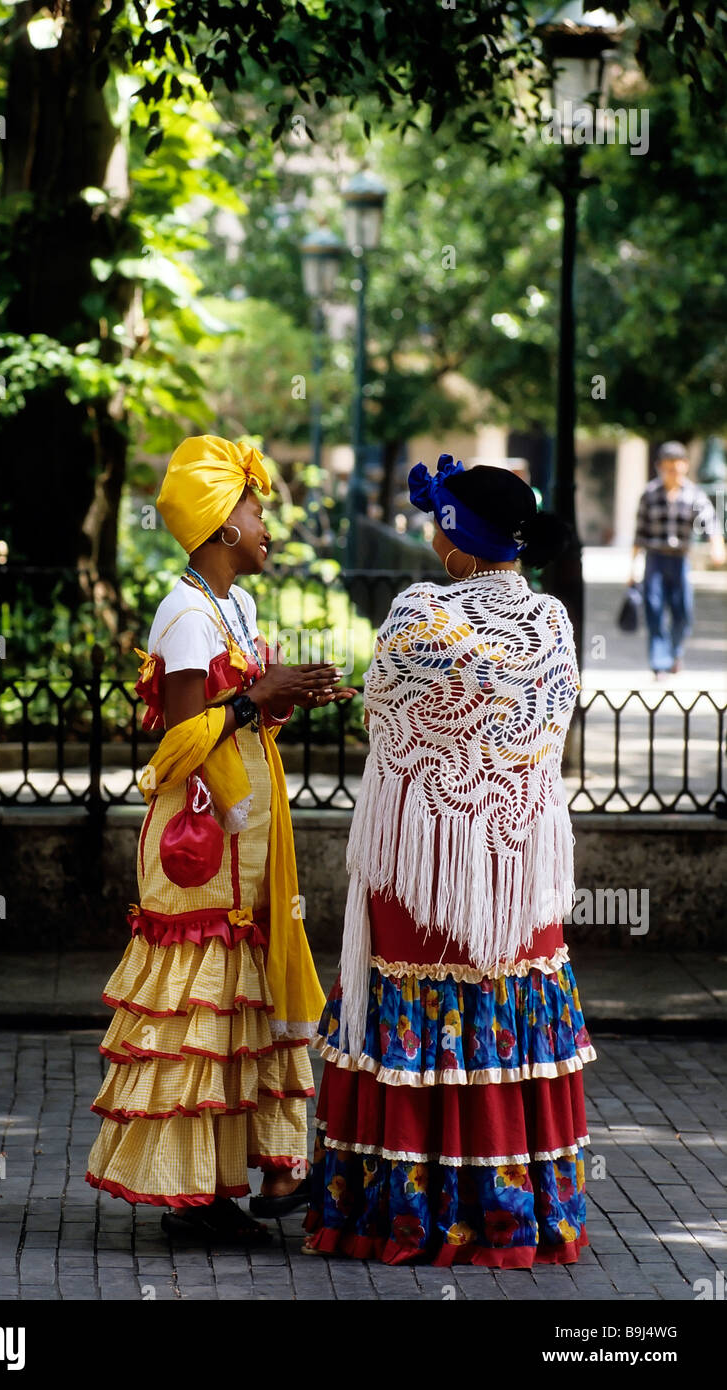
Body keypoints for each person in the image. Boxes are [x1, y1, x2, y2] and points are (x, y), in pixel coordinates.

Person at [303, 453, 596, 1267]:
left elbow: (383, 719)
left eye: (438, 527)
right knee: (508, 1009)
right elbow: (539, 737)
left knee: (413, 1013)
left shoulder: (415, 614)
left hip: (422, 869)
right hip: (514, 873)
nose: (433, 542)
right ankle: (514, 1216)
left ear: (458, 540)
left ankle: (398, 1215)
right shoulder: (552, 623)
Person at [85, 434, 354, 1244]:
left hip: (245, 839)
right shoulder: (187, 613)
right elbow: (175, 742)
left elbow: (231, 717)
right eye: (253, 505)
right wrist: (253, 700)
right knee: (203, 999)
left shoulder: (231, 606)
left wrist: (279, 700)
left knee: (244, 995)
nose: (266, 519)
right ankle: (195, 1200)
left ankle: (256, 1176)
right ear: (217, 522)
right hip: (200, 848)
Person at [630, 441, 725, 679]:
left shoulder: (693, 494)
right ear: (660, 466)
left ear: (685, 465)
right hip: (655, 559)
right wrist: (632, 569)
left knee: (683, 611)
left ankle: (675, 653)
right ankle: (659, 662)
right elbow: (639, 534)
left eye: (677, 464)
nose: (673, 470)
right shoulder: (650, 494)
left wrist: (717, 545)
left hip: (680, 559)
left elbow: (709, 522)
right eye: (668, 465)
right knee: (654, 609)